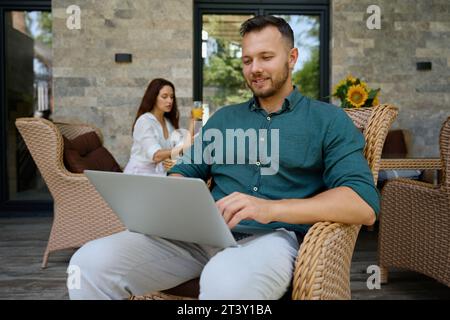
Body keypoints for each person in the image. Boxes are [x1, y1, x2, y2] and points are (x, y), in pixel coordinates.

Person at [68, 16, 379, 300]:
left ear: (292, 57)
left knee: (225, 279)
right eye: (247, 60)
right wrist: (169, 200)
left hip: (274, 240)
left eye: (266, 57)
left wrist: (270, 209)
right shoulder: (224, 119)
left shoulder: (327, 120)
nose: (254, 68)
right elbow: (185, 170)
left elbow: (362, 204)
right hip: (200, 236)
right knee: (89, 263)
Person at [123, 78, 196, 176]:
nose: (170, 101)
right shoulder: (144, 122)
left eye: (172, 97)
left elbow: (183, 145)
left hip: (158, 176)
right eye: (164, 97)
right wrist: (180, 149)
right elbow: (156, 155)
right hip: (137, 176)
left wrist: (192, 121)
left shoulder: (168, 123)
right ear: (153, 98)